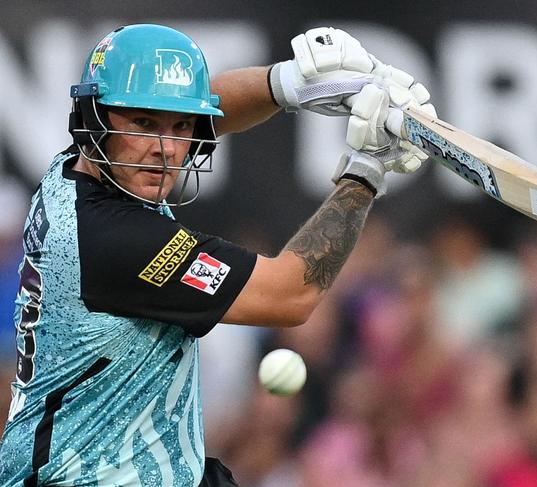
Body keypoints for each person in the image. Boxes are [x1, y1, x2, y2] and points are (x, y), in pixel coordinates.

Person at [0, 23, 435, 486]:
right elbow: (290, 294)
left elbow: (208, 107)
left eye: (180, 127)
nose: (166, 152)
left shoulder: (74, 168)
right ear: (95, 119)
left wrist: (297, 83)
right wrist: (367, 168)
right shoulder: (118, 242)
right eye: (144, 124)